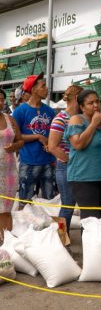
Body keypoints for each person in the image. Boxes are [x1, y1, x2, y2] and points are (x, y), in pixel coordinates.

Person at [64, 90, 101, 221]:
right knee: (90, 220)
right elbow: (78, 144)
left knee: (100, 218)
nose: (95, 105)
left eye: (97, 101)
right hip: (84, 178)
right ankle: (89, 242)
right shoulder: (77, 120)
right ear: (82, 107)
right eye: (90, 103)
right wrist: (93, 124)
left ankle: (98, 242)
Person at [13, 73, 56, 206]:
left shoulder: (50, 111)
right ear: (33, 90)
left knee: (51, 203)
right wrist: (38, 136)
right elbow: (15, 136)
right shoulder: (20, 111)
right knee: (26, 203)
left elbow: (54, 135)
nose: (47, 88)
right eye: (43, 86)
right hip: (29, 162)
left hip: (49, 161)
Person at [48, 85, 83, 234]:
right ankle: (61, 240)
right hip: (67, 167)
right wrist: (72, 160)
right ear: (77, 98)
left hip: (81, 167)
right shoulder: (60, 119)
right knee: (68, 205)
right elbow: (53, 147)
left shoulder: (82, 118)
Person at [0, 88, 24, 239]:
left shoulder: (10, 119)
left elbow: (20, 140)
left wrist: (15, 146)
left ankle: (6, 245)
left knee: (6, 210)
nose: (0, 102)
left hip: (9, 173)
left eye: (2, 99)